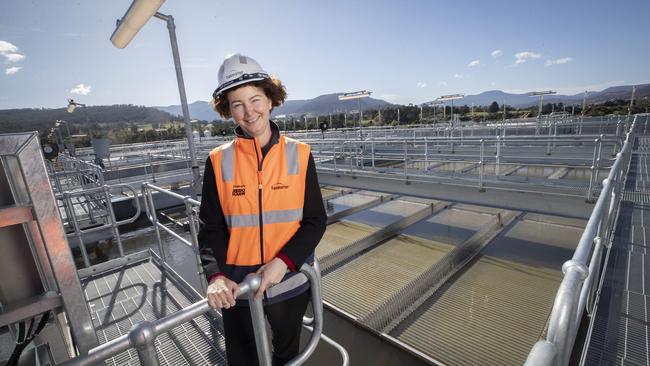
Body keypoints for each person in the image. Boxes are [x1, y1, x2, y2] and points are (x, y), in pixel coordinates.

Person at [198, 54, 327, 365]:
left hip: (288, 284)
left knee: (287, 354)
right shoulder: (218, 161)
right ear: (228, 110)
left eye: (255, 99)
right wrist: (215, 275)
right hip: (239, 288)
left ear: (271, 100)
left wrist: (282, 262)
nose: (248, 111)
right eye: (237, 103)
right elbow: (211, 228)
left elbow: (315, 221)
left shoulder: (300, 154)